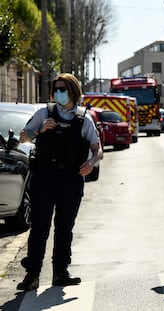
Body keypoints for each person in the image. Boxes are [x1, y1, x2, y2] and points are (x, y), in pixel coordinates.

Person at [17, 73, 103, 291]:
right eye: (56, 89)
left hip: (71, 179)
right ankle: (32, 274)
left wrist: (92, 162)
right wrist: (39, 129)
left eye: (62, 89)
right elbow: (23, 137)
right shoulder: (44, 112)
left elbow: (97, 148)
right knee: (39, 227)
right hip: (44, 177)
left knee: (65, 227)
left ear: (73, 91)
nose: (58, 93)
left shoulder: (84, 118)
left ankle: (60, 272)